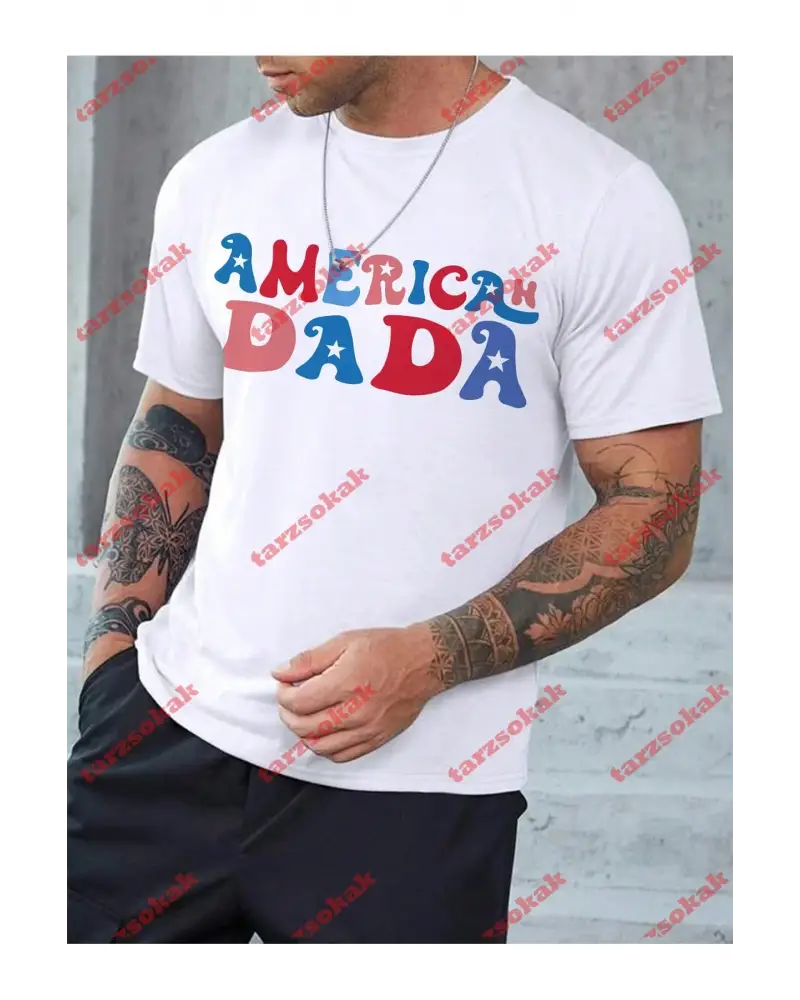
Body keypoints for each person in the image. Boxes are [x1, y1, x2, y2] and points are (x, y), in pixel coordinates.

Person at [65, 55, 722, 943]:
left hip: (415, 792)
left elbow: (656, 510)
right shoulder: (215, 177)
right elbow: (176, 423)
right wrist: (112, 664)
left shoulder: (597, 201)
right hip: (162, 741)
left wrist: (429, 659)